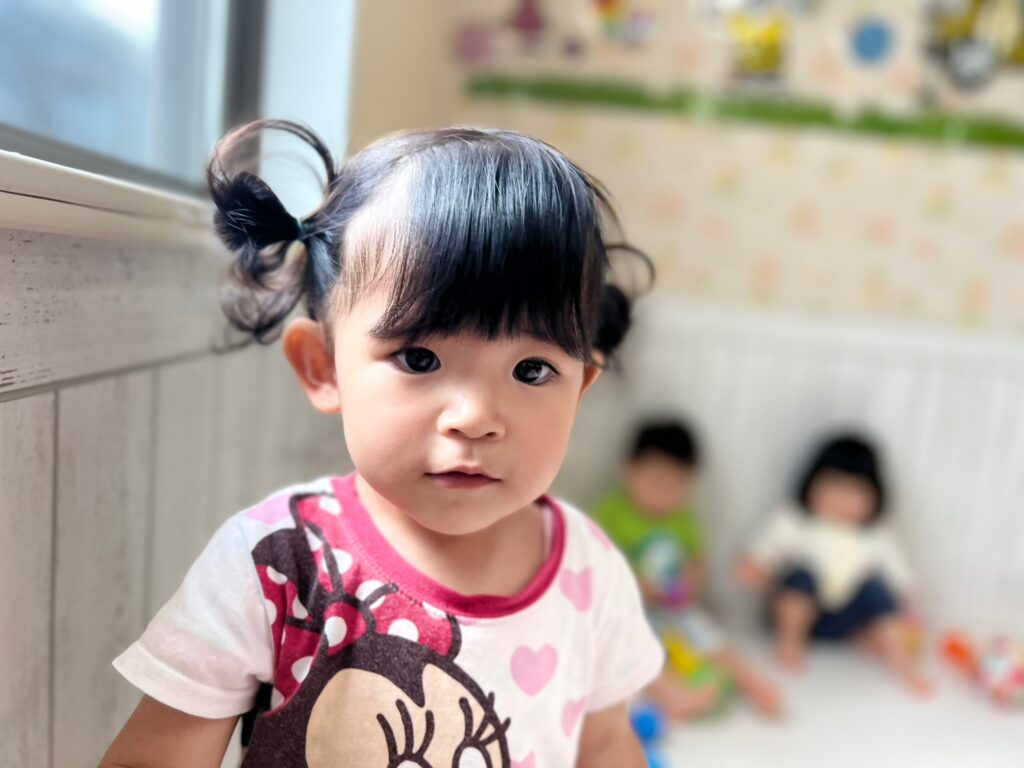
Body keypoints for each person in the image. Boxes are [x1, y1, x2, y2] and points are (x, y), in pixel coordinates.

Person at [100, 122, 664, 767]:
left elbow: (607, 745)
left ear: (581, 387)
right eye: (420, 358)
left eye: (532, 370)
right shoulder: (277, 565)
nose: (476, 418)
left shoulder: (590, 573)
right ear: (323, 366)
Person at [594, 420, 780, 718]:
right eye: (656, 481)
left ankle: (751, 681)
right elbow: (596, 566)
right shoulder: (612, 512)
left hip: (674, 609)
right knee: (635, 653)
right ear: (628, 470)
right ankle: (673, 695)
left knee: (709, 637)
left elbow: (696, 559)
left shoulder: (683, 518)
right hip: (629, 611)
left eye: (676, 484)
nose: (664, 493)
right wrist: (640, 587)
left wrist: (690, 582)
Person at [735, 434, 929, 694]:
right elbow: (767, 548)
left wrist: (907, 609)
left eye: (855, 490)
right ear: (811, 484)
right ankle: (790, 644)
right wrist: (754, 565)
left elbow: (901, 577)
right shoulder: (797, 522)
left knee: (876, 588)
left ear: (875, 497)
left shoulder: (875, 537)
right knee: (802, 577)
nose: (842, 498)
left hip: (848, 619)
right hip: (807, 613)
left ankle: (901, 660)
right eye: (833, 486)